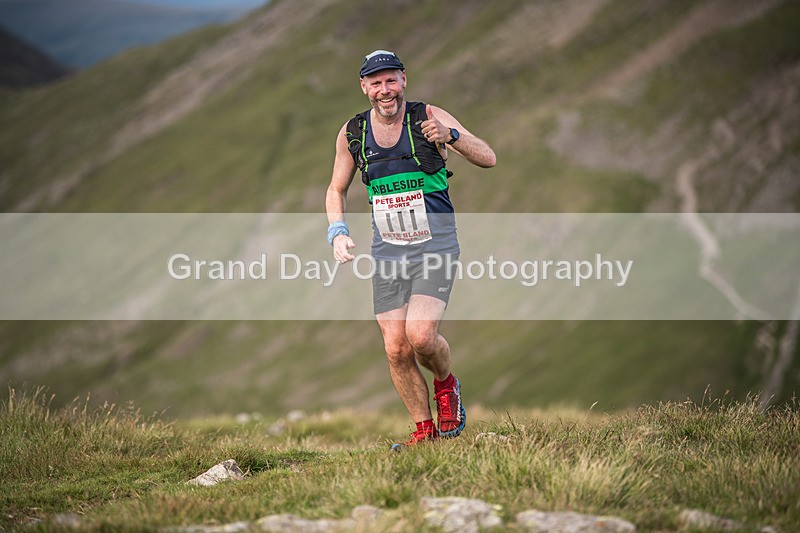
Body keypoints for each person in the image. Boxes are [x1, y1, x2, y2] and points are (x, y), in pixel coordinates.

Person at [325, 50, 496, 447]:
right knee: (396, 348)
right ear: (364, 87)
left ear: (404, 80)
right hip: (389, 251)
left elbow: (488, 158)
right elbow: (336, 188)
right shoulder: (353, 133)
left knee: (420, 336)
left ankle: (447, 385)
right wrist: (337, 230)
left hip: (436, 244)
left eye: (391, 80)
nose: (385, 90)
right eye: (376, 82)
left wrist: (451, 137)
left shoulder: (428, 117)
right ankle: (425, 431)